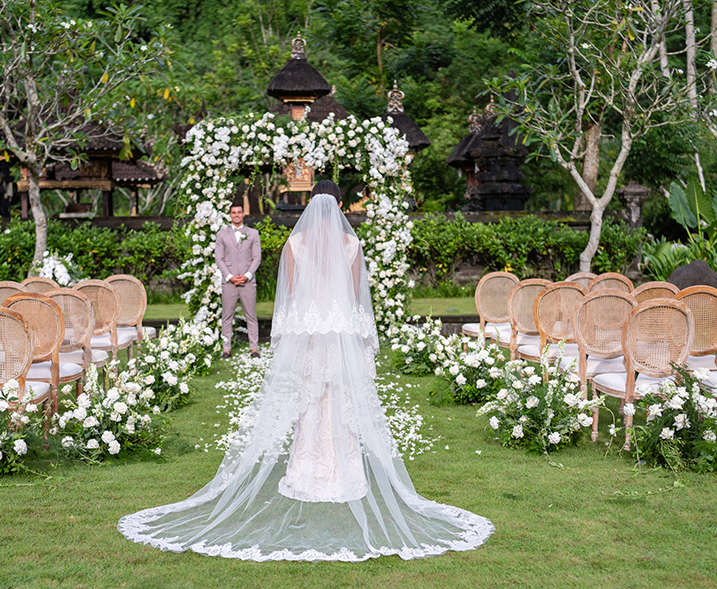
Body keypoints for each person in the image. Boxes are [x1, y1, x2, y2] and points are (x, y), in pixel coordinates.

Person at [118, 181, 493, 562]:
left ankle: (306, 470)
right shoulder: (351, 245)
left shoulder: (295, 244)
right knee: (338, 396)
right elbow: (355, 290)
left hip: (310, 331)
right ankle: (343, 472)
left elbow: (292, 292)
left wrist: (294, 326)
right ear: (341, 205)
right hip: (339, 331)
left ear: (309, 204)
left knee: (310, 395)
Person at [214, 202, 261, 358]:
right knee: (227, 316)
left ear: (243, 214)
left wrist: (247, 276)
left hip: (248, 281)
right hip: (229, 282)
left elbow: (256, 258)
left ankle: (254, 349)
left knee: (251, 315)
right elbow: (219, 259)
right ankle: (226, 349)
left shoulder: (253, 234)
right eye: (233, 212)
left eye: (239, 212)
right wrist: (230, 277)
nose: (236, 215)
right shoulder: (221, 235)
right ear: (230, 215)